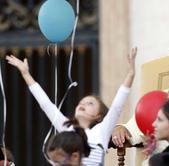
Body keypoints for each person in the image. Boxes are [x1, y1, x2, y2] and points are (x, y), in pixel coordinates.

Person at [6, 47, 137, 166]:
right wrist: (25, 74)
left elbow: (117, 106)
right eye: (82, 102)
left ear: (98, 116)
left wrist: (130, 75)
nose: (83, 104)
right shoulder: (66, 127)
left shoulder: (101, 131)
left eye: (90, 103)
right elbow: (46, 104)